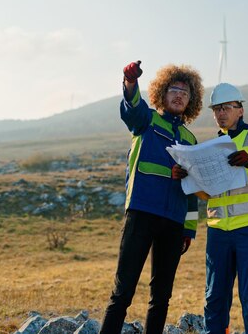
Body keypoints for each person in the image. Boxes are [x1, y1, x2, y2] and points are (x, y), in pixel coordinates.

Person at [100, 61, 203, 334]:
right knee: (123, 291)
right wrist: (130, 83)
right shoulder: (147, 120)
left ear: (191, 100)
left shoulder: (190, 139)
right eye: (174, 89)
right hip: (142, 213)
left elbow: (192, 189)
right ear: (162, 92)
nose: (179, 95)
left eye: (185, 92)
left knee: (161, 297)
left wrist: (188, 229)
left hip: (173, 222)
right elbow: (132, 108)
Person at [198, 82, 248, 334]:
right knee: (215, 297)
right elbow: (207, 194)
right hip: (218, 232)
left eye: (226, 107)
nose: (221, 113)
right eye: (216, 109)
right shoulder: (212, 147)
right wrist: (187, 178)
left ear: (240, 110)